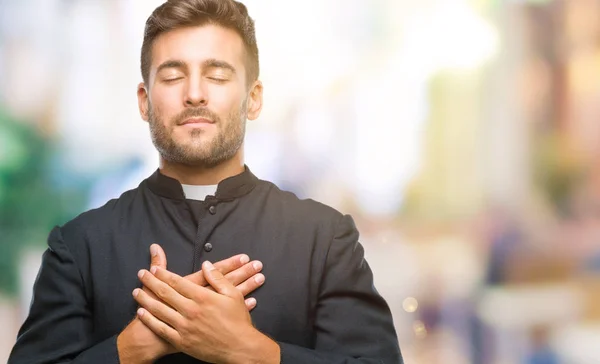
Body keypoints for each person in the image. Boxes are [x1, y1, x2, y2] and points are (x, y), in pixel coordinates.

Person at [8, 0, 403, 363]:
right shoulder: (80, 246)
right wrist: (129, 349)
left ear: (254, 98)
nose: (195, 94)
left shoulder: (325, 239)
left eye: (216, 75)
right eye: (173, 76)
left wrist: (252, 350)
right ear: (144, 101)